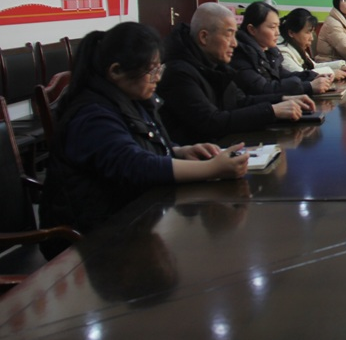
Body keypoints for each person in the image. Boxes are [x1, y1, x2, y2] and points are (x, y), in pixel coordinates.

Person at [38, 22, 250, 240]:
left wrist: (179, 151)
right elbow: (135, 165)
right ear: (116, 71)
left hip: (134, 215)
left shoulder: (133, 98)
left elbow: (139, 143)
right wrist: (212, 169)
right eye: (151, 70)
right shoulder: (92, 116)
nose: (158, 77)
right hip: (94, 236)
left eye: (159, 68)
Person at [158, 2, 315, 144]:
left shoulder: (214, 63)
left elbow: (239, 101)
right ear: (204, 37)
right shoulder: (178, 73)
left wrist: (283, 99)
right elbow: (212, 122)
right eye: (229, 35)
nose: (235, 43)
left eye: (235, 35)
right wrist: (272, 111)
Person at [232, 1, 333, 96]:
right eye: (272, 27)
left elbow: (284, 75)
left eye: (278, 27)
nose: (278, 33)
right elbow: (263, 89)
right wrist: (308, 86)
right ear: (252, 29)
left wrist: (312, 76)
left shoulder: (269, 52)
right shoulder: (240, 55)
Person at [277, 7, 346, 81]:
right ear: (291, 33)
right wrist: (332, 73)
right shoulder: (282, 52)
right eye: (308, 32)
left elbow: (314, 66)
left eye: (312, 32)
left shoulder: (296, 46)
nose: (311, 38)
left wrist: (341, 66)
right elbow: (301, 75)